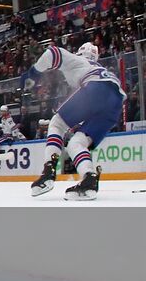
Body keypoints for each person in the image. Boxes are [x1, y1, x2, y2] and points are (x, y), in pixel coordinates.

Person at [26, 41, 124, 200]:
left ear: (79, 53)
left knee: (57, 123)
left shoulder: (77, 60)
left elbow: (53, 53)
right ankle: (89, 179)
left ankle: (48, 172)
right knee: (77, 143)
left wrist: (34, 72)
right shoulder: (98, 67)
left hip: (95, 88)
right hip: (116, 102)